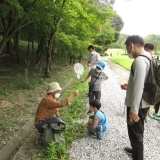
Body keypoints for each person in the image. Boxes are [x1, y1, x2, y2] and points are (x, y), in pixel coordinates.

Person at [121, 35, 151, 160]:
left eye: (127, 48)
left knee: (135, 134)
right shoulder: (148, 57)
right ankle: (135, 150)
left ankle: (137, 156)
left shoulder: (139, 60)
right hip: (144, 102)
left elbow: (139, 87)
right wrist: (129, 86)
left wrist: (133, 110)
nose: (128, 51)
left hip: (137, 105)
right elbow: (142, 81)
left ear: (131, 45)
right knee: (137, 132)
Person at [144, 43, 160, 120]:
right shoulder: (152, 58)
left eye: (147, 50)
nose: (146, 51)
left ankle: (152, 113)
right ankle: (149, 113)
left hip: (152, 83)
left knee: (151, 98)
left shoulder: (154, 59)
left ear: (151, 50)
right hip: (151, 83)